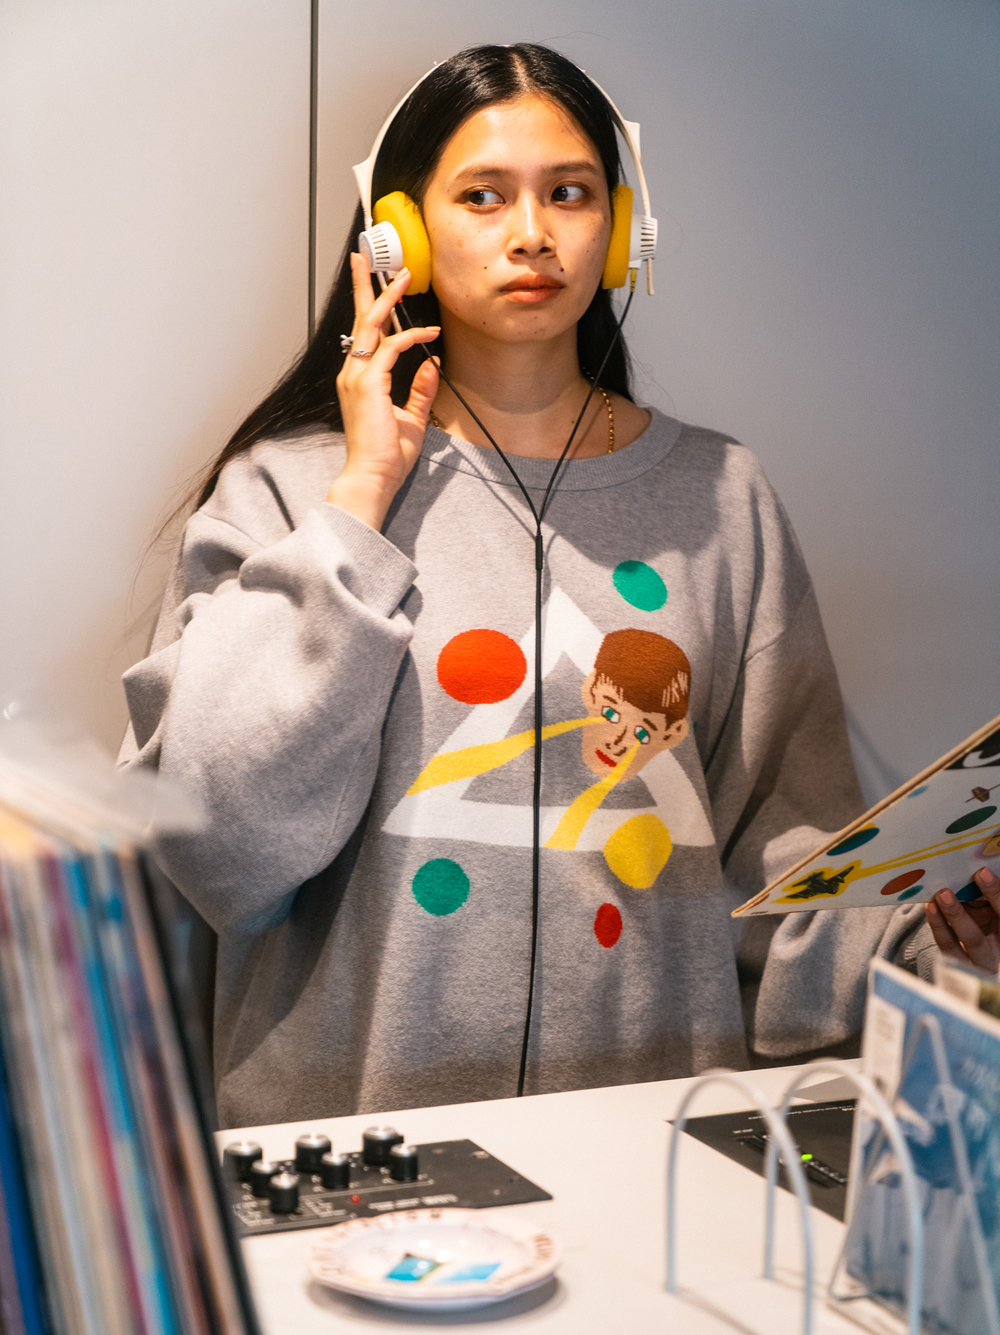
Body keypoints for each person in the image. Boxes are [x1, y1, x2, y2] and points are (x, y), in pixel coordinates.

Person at [120, 42, 998, 1129]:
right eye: (483, 195)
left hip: (651, 1153)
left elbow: (778, 875)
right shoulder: (289, 493)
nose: (531, 232)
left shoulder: (721, 497)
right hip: (360, 1150)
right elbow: (216, 846)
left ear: (620, 230)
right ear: (397, 234)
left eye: (569, 194)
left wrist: (931, 939)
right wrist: (361, 501)